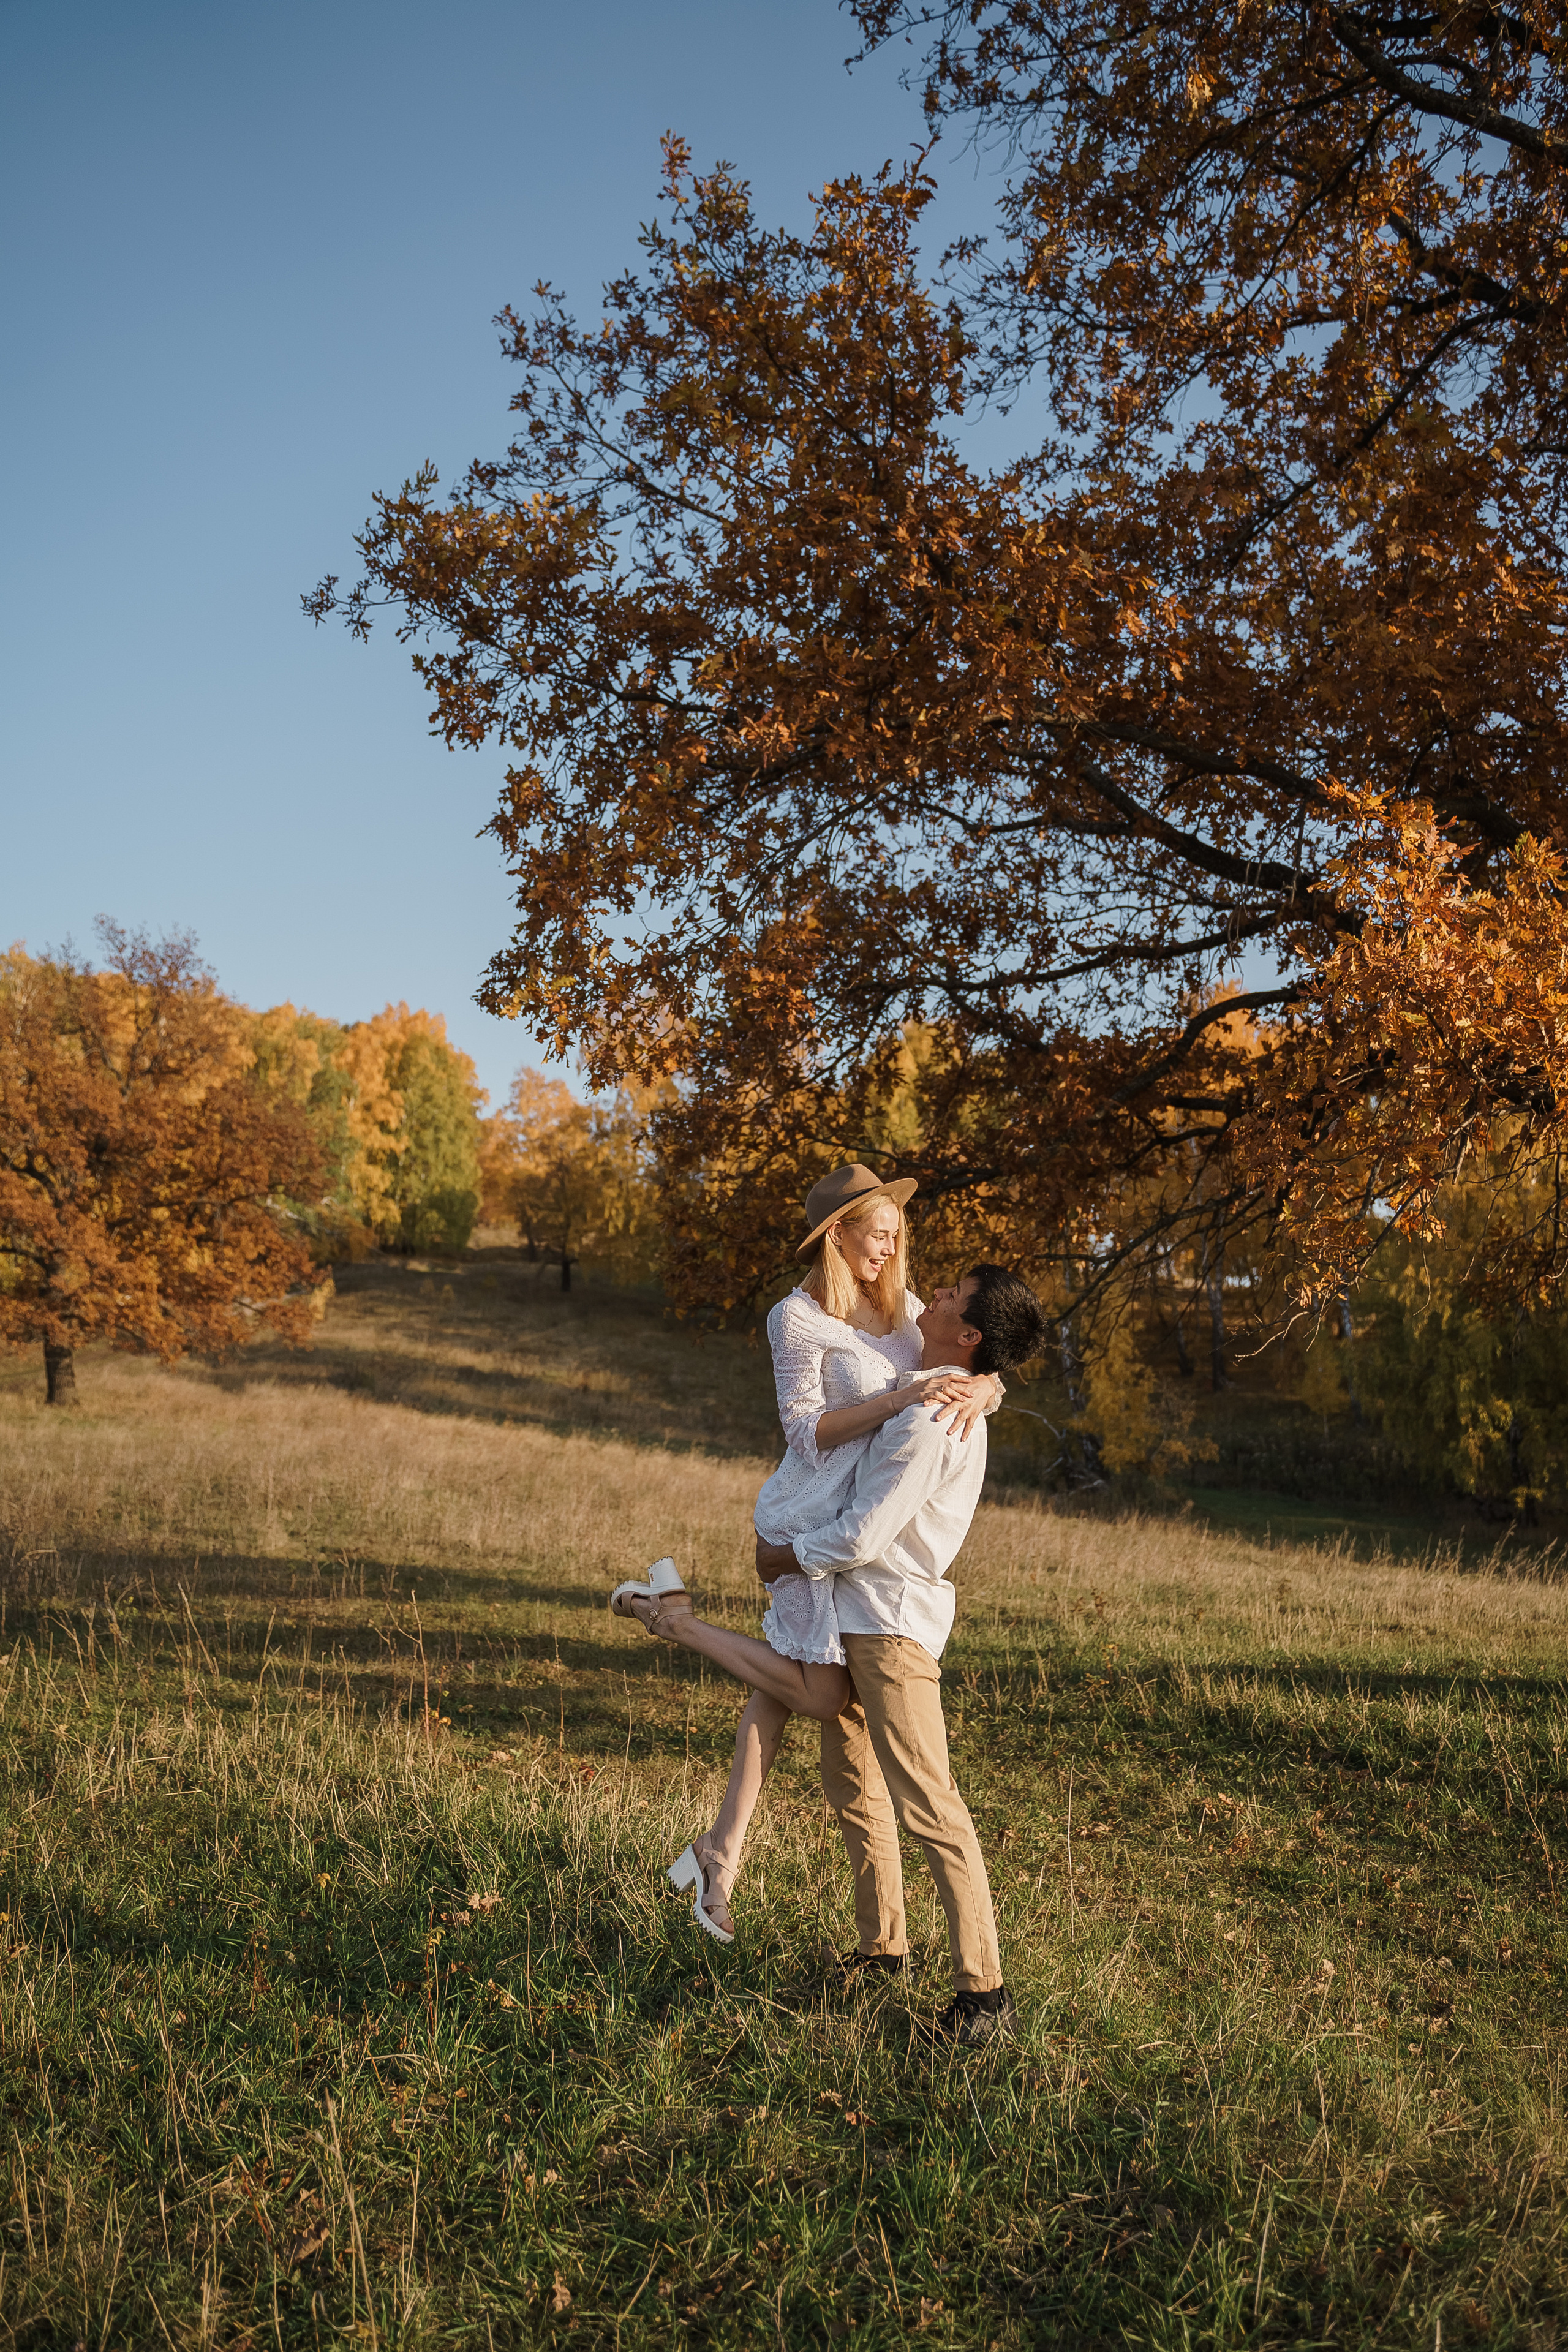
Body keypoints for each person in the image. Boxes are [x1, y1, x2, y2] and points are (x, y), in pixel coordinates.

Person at [621, 1261, 1052, 2045]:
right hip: (851, 1619)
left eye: (951, 1295)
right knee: (854, 1788)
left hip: (890, 1626)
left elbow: (864, 1534)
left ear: (969, 1333)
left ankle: (984, 1996)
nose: (934, 1294)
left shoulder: (932, 1422)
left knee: (929, 1802)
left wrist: (784, 1557)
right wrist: (987, 1381)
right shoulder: (944, 1388)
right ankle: (881, 1946)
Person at [609, 1166, 1001, 1940]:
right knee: (816, 1694)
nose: (892, 1248)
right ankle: (676, 1628)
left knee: (798, 1688)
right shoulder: (794, 1319)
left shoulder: (905, 1308)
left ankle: (719, 1849)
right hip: (807, 1519)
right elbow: (803, 1430)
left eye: (897, 1233)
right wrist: (895, 1399)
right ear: (837, 1234)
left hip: (858, 1534)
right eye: (878, 1233)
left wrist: (986, 1389)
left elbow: (970, 1349)